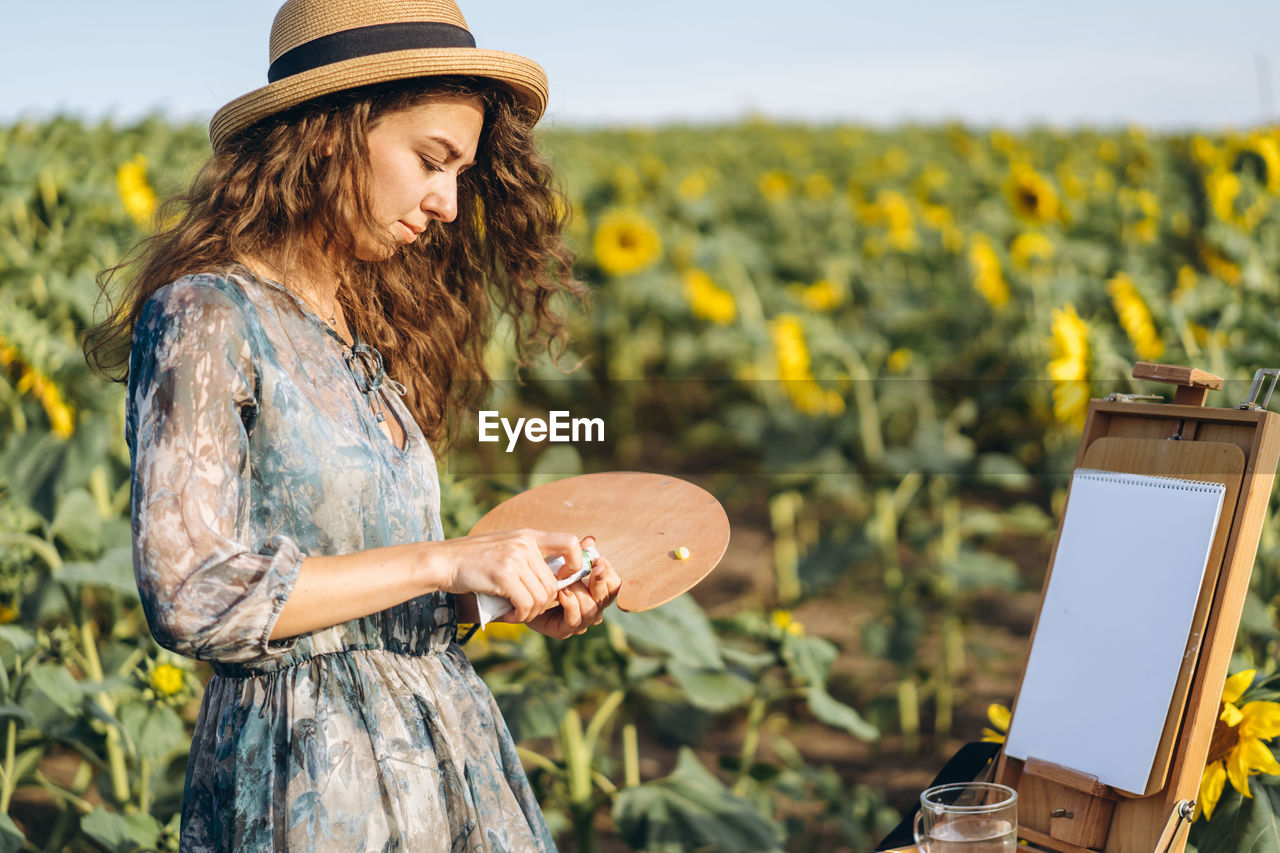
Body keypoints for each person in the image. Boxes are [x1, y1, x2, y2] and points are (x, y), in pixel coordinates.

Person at [84, 0, 622, 849]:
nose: (448, 201)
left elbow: (365, 587)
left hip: (445, 754)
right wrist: (444, 556)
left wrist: (490, 593)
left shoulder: (360, 324)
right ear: (332, 134)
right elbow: (190, 593)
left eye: (462, 172)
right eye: (430, 160)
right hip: (310, 774)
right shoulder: (209, 315)